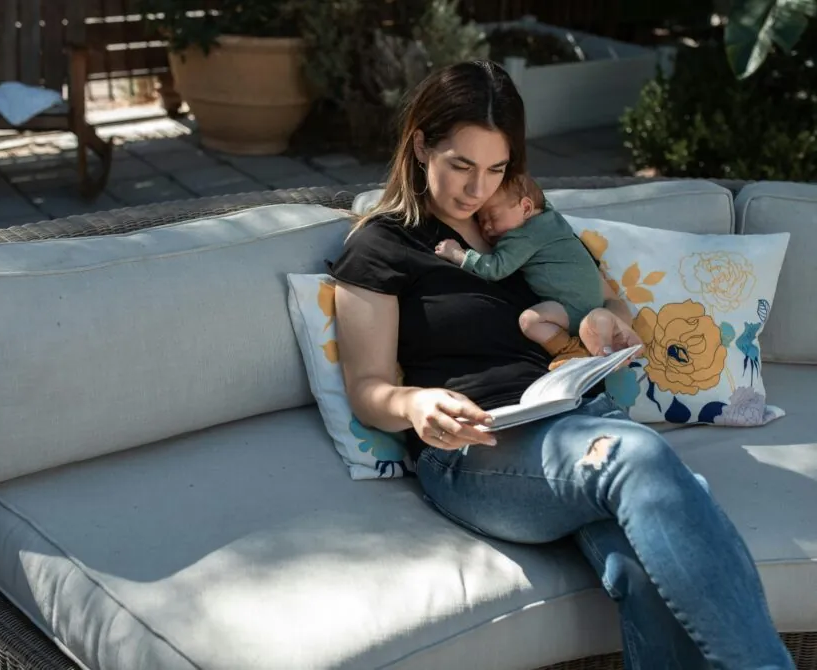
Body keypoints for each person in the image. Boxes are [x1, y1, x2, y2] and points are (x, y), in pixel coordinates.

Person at [327, 59, 794, 669]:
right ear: (421, 145)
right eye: (461, 166)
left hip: (577, 413)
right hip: (479, 446)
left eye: (496, 169)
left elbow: (601, 298)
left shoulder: (520, 221)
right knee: (640, 458)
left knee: (645, 562)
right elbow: (367, 388)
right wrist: (415, 404)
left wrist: (608, 320)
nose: (477, 191)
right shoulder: (381, 245)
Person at [433, 173, 641, 369]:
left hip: (570, 308)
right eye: (480, 219)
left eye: (492, 216)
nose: (486, 226)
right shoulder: (553, 219)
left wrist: (459, 254)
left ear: (526, 208)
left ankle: (570, 350)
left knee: (530, 321)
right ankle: (592, 332)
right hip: (592, 302)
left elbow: (495, 268)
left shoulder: (522, 236)